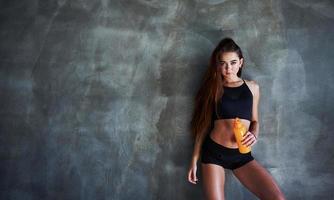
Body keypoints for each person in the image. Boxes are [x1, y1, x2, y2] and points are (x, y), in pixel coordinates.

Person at [187, 37, 286, 200]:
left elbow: (255, 121)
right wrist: (194, 161)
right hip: (214, 153)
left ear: (241, 62)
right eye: (223, 63)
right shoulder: (213, 89)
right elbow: (202, 126)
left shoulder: (253, 87)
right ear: (218, 65)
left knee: (277, 198)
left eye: (233, 62)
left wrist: (254, 134)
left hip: (241, 155)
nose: (228, 68)